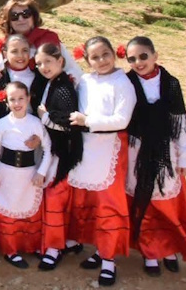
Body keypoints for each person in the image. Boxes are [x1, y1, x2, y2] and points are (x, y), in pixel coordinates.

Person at [123, 37, 186, 276]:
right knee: (144, 202)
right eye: (132, 58)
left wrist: (185, 156)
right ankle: (150, 252)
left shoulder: (170, 84)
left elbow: (179, 121)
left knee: (165, 203)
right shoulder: (127, 82)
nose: (138, 62)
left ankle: (168, 248)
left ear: (155, 55)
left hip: (165, 151)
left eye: (143, 56)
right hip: (136, 151)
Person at [67, 36, 136, 287]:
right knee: (91, 204)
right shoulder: (85, 81)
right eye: (94, 57)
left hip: (110, 151)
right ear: (87, 60)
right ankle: (98, 250)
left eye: (105, 54)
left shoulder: (123, 82)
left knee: (108, 207)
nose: (101, 60)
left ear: (114, 54)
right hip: (86, 151)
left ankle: (109, 261)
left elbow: (122, 119)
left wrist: (89, 121)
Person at [0, 81, 51, 269]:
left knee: (28, 210)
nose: (17, 103)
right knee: (8, 211)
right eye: (12, 99)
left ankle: (30, 245)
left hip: (27, 176)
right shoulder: (2, 123)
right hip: (6, 175)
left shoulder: (35, 123)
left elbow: (48, 149)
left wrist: (41, 172)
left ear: (28, 99)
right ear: (6, 101)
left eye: (21, 98)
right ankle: (10, 249)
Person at [34, 42, 83, 271]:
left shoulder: (63, 88)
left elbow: (68, 124)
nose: (44, 67)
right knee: (57, 199)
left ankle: (54, 247)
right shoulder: (54, 83)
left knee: (55, 198)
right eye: (39, 63)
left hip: (62, 154)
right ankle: (67, 240)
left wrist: (44, 117)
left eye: (48, 62)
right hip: (56, 152)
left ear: (60, 61)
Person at [0, 33, 43, 140]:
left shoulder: (37, 78)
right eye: (14, 51)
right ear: (5, 53)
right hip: (1, 133)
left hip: (30, 134)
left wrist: (38, 134)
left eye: (24, 50)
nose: (20, 55)